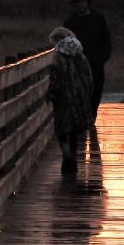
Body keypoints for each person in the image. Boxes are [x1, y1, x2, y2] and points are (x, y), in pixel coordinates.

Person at [47, 27, 93, 173]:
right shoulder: (81, 56)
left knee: (61, 128)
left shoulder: (57, 59)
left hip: (62, 99)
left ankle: (66, 153)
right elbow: (89, 78)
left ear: (58, 41)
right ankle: (72, 156)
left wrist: (51, 94)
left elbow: (55, 80)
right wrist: (86, 94)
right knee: (74, 129)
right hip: (79, 98)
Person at [63, 0, 111, 122]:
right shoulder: (70, 22)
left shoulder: (98, 18)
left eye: (83, 2)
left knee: (96, 91)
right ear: (75, 4)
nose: (81, 4)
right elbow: (65, 43)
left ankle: (92, 115)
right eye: (78, 2)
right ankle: (83, 118)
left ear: (87, 3)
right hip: (78, 64)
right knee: (80, 92)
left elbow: (106, 40)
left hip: (96, 63)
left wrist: (103, 58)